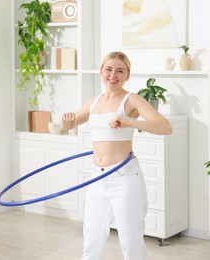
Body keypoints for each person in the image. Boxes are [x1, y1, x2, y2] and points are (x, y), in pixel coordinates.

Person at [60, 51, 173, 260]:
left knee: (131, 243)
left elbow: (165, 127)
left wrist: (129, 121)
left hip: (125, 179)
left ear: (127, 75)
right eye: (109, 69)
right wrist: (66, 123)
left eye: (120, 71)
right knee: (91, 240)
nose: (113, 75)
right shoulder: (93, 102)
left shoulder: (132, 99)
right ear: (101, 72)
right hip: (97, 179)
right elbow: (69, 124)